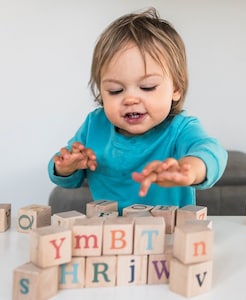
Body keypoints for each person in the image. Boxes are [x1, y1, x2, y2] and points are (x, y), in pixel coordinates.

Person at [48, 7, 228, 214]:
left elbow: (213, 152)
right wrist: (66, 167)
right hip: (110, 231)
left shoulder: (181, 128)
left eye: (147, 87)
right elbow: (68, 180)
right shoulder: (94, 125)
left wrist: (190, 168)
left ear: (176, 88)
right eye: (115, 90)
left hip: (168, 233)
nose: (130, 99)